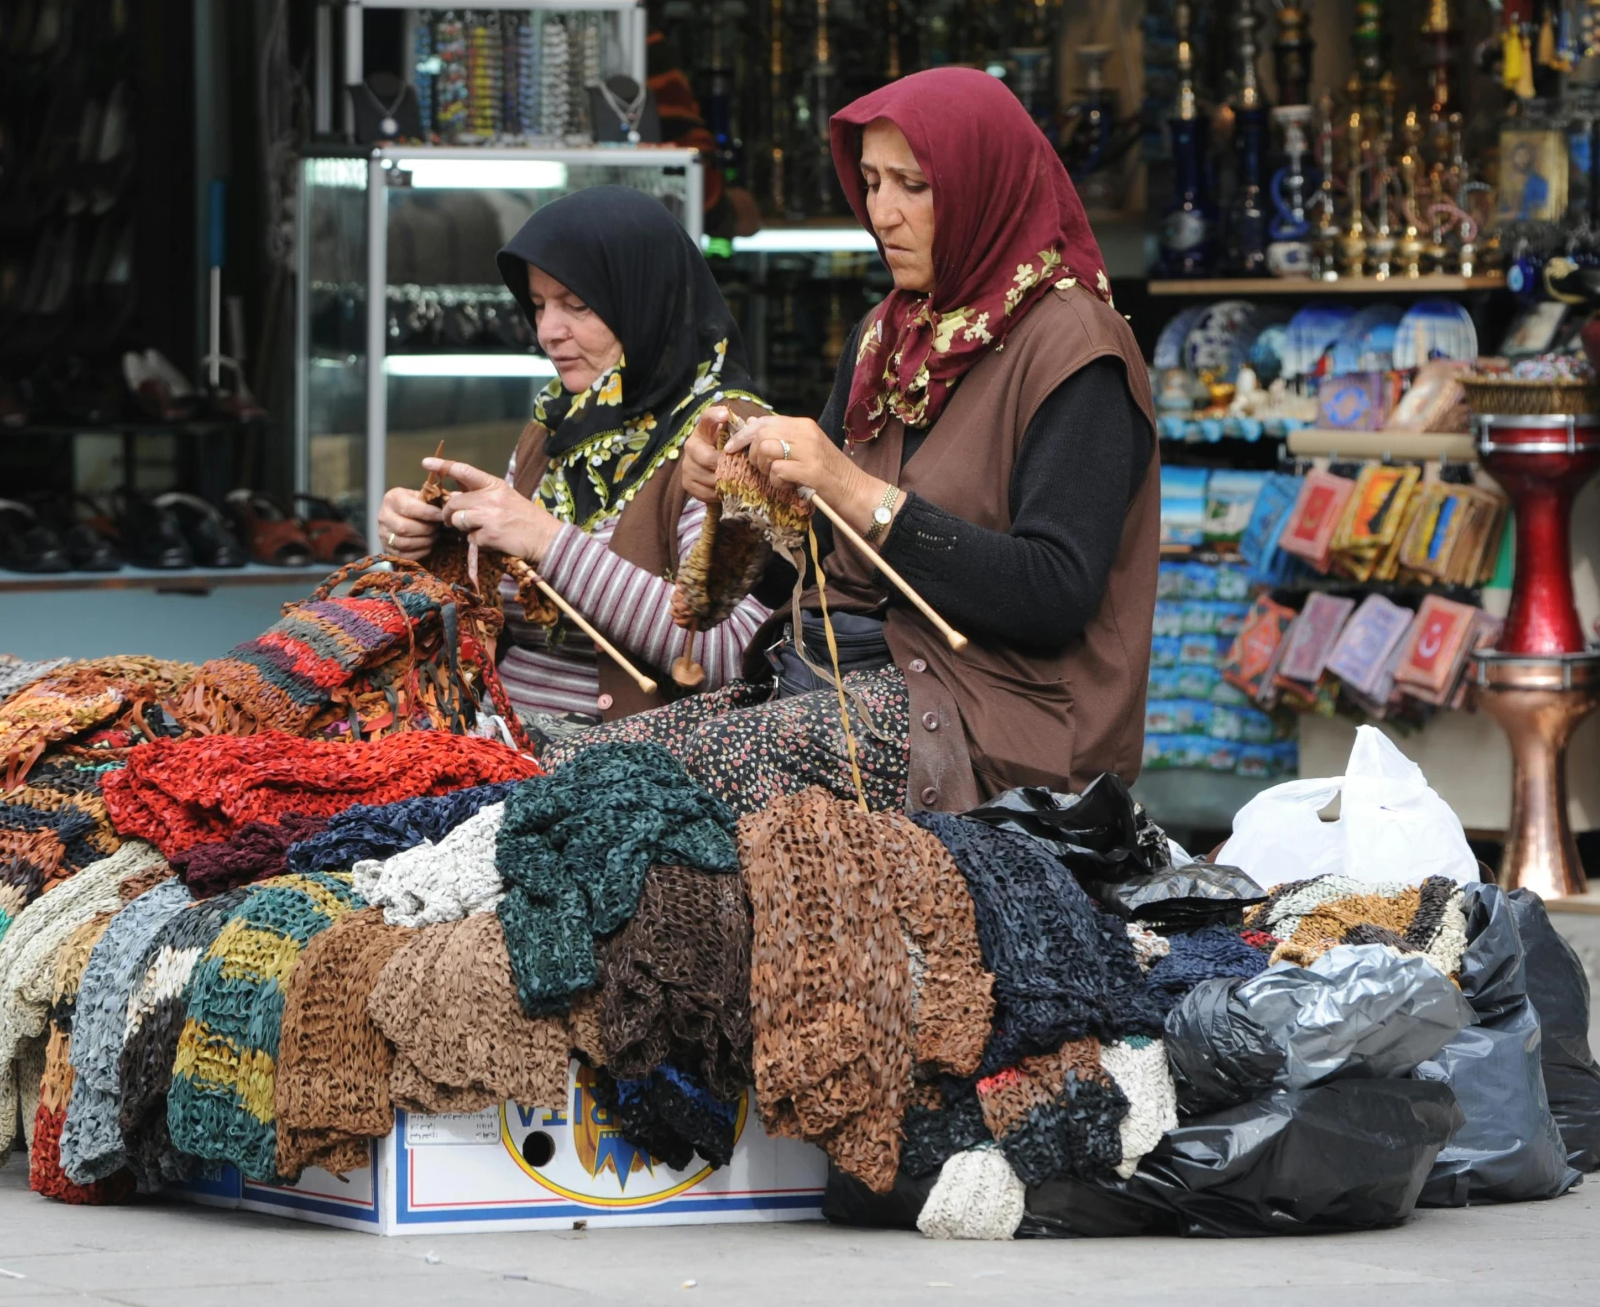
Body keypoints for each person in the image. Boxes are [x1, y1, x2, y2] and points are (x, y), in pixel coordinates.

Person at [568, 66, 1160, 815]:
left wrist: (852, 489)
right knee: (577, 761)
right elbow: (818, 569)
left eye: (913, 185)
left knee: (634, 786)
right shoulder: (890, 332)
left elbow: (1052, 593)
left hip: (1000, 721)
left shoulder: (1075, 347)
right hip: (842, 677)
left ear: (984, 186)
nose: (882, 212)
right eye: (873, 183)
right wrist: (746, 489)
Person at [374, 185, 773, 721]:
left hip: (628, 772)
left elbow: (742, 650)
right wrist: (432, 541)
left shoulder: (727, 432)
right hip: (503, 741)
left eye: (577, 305)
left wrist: (547, 540)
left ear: (643, 299)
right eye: (538, 306)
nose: (547, 332)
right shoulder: (555, 427)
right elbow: (496, 611)